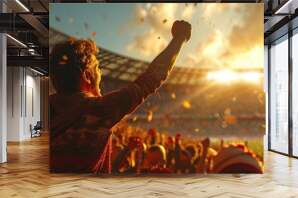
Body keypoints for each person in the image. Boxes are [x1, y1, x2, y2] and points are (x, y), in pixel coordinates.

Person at [49, 20, 192, 173]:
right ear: (87, 76)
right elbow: (151, 78)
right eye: (97, 68)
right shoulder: (97, 109)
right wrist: (179, 38)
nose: (100, 74)